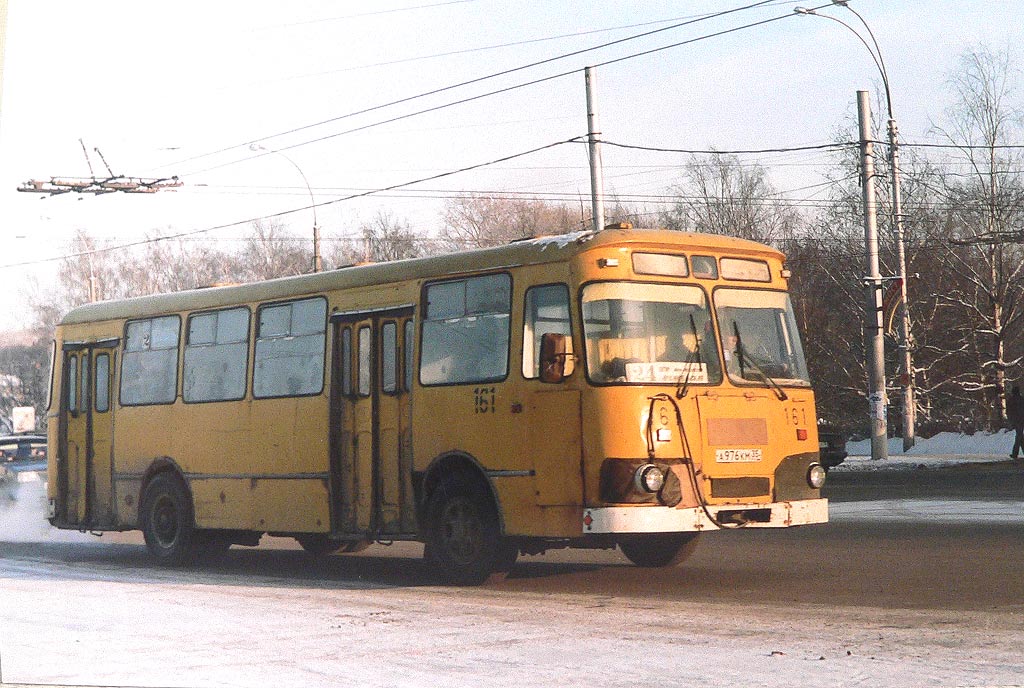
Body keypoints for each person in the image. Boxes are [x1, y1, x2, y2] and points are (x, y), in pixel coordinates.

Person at [1007, 385, 1024, 460]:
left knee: (1019, 437)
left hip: (1016, 421)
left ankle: (1014, 453)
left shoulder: (1010, 400)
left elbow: (1009, 412)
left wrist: (1011, 421)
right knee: (1020, 436)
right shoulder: (1022, 399)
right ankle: (1015, 453)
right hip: (1022, 419)